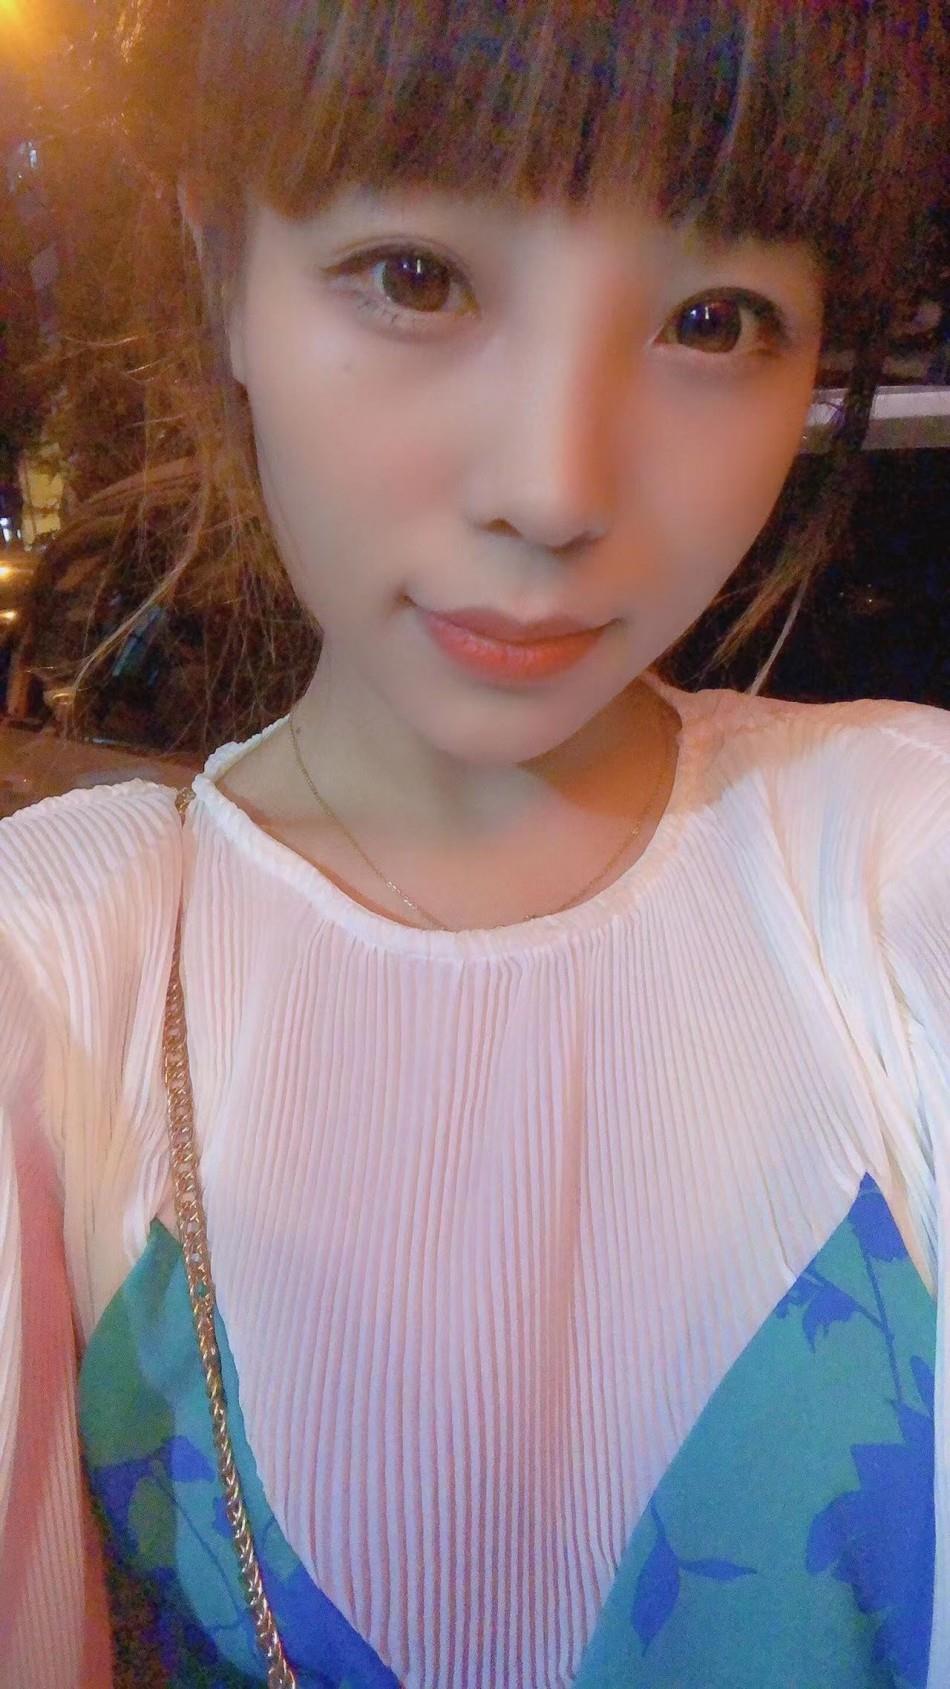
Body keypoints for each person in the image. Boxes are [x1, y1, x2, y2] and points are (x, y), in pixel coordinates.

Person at [0, 3, 947, 1685]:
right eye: (416, 277)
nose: (553, 487)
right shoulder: (56, 981)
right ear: (224, 267)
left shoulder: (893, 871)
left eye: (712, 320)